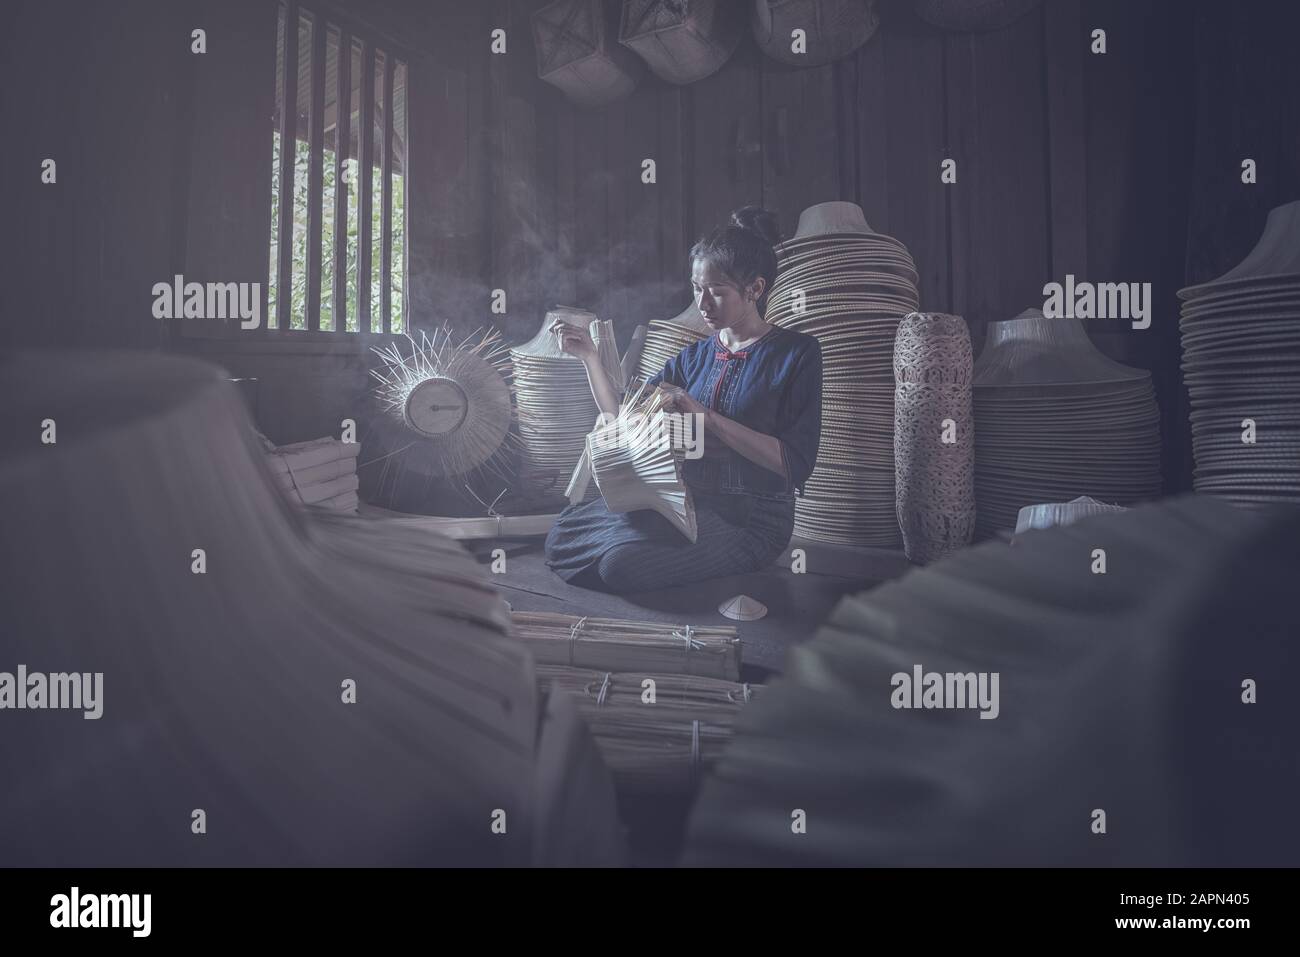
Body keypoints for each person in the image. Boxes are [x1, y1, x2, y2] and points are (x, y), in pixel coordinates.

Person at [543, 206, 823, 594]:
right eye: (696, 288)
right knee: (564, 531)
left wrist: (706, 418)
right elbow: (624, 417)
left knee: (620, 565)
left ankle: (671, 554)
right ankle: (660, 549)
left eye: (717, 292)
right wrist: (588, 356)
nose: (703, 304)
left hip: (750, 520)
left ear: (755, 289)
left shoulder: (798, 354)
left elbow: (794, 463)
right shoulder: (696, 357)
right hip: (687, 504)